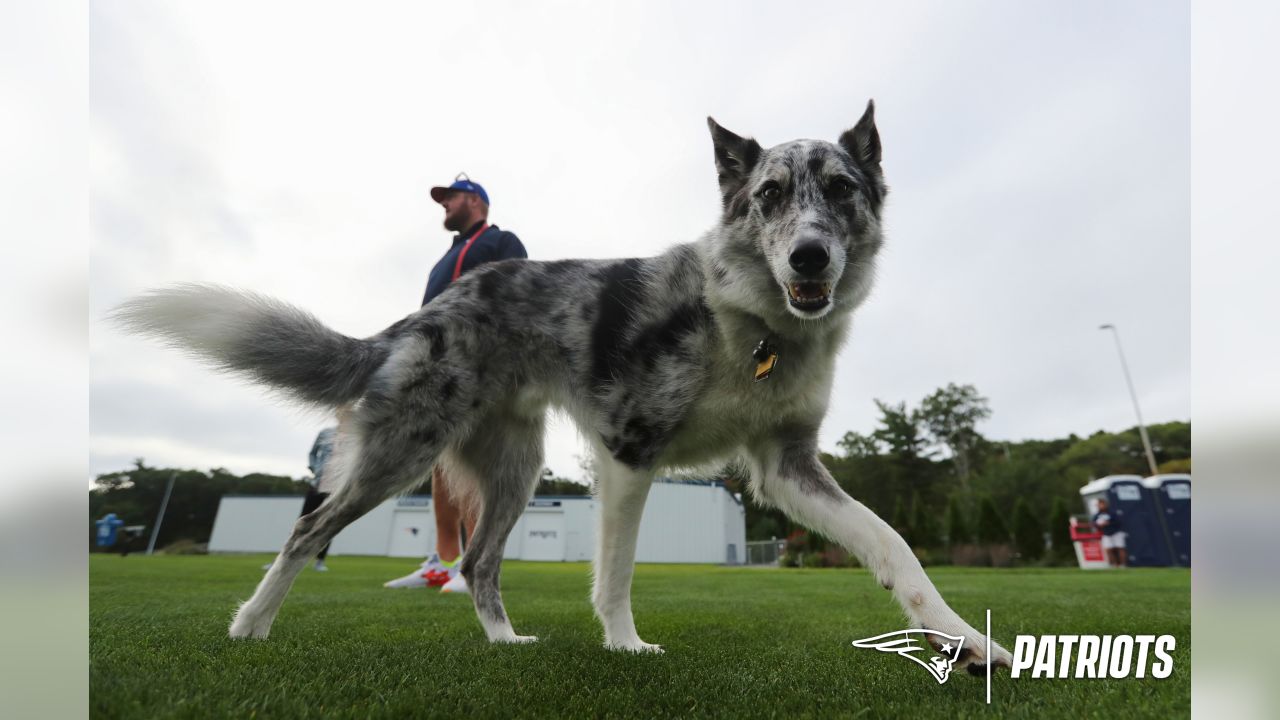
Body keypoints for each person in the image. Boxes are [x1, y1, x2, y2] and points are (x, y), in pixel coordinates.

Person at [383, 173, 527, 593]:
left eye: (452, 197)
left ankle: (473, 563)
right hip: (437, 364)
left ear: (477, 201)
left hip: (480, 362)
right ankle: (443, 562)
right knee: (440, 458)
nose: (444, 204)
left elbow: (517, 295)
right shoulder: (444, 258)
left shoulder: (501, 241)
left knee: (468, 455)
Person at [264, 426, 339, 572]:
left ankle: (320, 561)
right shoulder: (325, 433)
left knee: (329, 524)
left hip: (336, 488)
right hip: (317, 484)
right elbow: (312, 453)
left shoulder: (355, 433)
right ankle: (280, 560)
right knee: (303, 522)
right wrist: (315, 468)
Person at [1093, 498, 1127, 568]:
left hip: (1116, 532)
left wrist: (1109, 523)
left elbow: (1119, 522)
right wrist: (1099, 525)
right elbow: (1094, 524)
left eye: (1101, 504)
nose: (1100, 506)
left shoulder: (1112, 512)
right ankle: (1114, 565)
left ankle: (1123, 565)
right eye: (1099, 505)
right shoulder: (1097, 515)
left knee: (1120, 548)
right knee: (1108, 550)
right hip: (1106, 534)